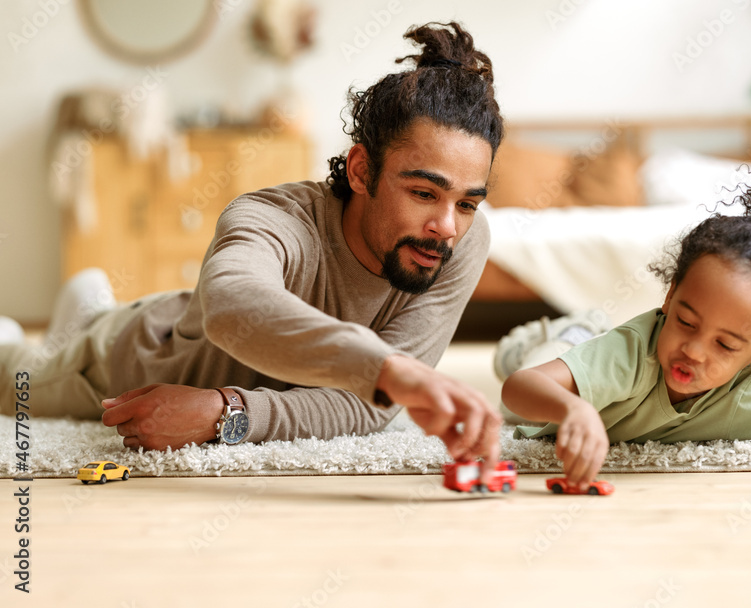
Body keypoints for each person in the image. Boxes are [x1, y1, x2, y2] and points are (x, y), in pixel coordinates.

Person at [0, 22, 504, 471]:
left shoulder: (463, 237)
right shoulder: (273, 219)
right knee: (13, 385)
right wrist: (388, 368)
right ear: (361, 171)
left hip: (182, 324)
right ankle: (74, 327)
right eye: (422, 193)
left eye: (466, 203)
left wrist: (227, 411)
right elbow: (230, 308)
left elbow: (367, 408)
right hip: (132, 356)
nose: (446, 226)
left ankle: (89, 308)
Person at [499, 167, 751, 489]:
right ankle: (579, 332)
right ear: (668, 298)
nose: (695, 351)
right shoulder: (632, 353)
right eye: (686, 322)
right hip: (592, 353)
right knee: (524, 388)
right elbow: (519, 388)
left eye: (725, 344)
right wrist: (573, 409)